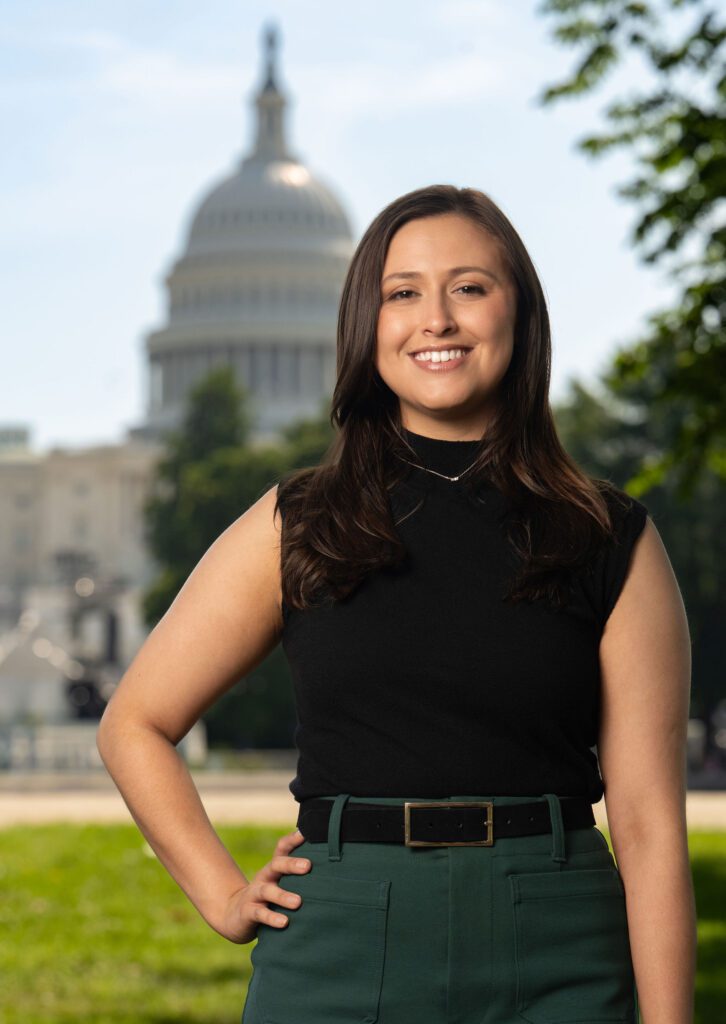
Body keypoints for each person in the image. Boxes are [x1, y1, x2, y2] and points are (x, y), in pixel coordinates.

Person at [97, 184, 696, 1024]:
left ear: (521, 313)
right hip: (340, 941)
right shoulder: (298, 522)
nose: (437, 320)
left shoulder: (609, 537)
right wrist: (223, 895)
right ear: (363, 324)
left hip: (559, 938)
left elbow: (649, 828)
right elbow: (134, 723)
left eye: (470, 287)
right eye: (403, 292)